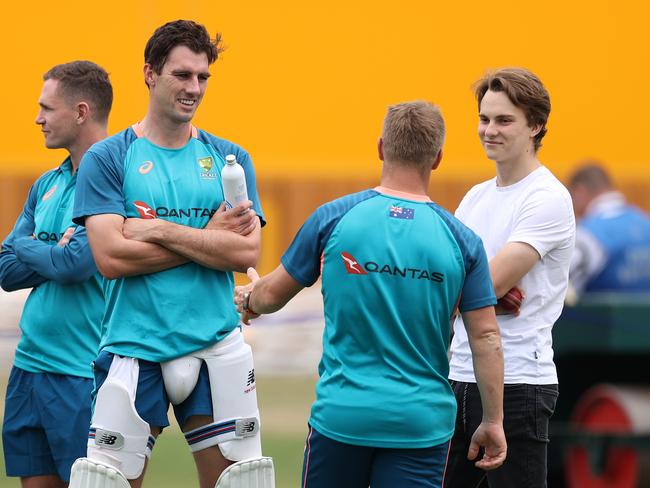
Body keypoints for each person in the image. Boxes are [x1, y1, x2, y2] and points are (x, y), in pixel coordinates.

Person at [234, 100, 507, 488]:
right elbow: (486, 337)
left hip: (342, 416)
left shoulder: (333, 218)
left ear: (381, 147)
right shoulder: (462, 241)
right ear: (438, 159)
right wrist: (493, 421)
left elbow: (270, 297)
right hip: (421, 425)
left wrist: (248, 299)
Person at [70, 20, 269, 488]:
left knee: (240, 482)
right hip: (134, 349)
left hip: (216, 345)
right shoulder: (108, 157)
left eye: (202, 77)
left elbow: (244, 250)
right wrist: (206, 240)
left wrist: (157, 229)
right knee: (108, 483)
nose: (194, 88)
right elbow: (111, 258)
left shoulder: (229, 160)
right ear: (150, 74)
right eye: (182, 75)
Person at [444, 68, 576, 488]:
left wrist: (478, 293)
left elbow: (483, 283)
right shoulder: (475, 197)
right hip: (456, 377)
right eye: (484, 119)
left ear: (536, 125)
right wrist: (485, 296)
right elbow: (453, 282)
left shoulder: (547, 197)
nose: (489, 130)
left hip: (520, 383)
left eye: (504, 120)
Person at [0, 61, 112, 487]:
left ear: (81, 112)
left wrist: (29, 248)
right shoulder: (46, 182)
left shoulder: (114, 178)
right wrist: (47, 250)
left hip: (81, 374)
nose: (38, 118)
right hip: (28, 368)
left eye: (46, 108)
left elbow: (75, 265)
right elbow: (6, 271)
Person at [568, 162, 650, 296]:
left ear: (578, 192)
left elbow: (559, 282)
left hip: (600, 317)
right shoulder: (646, 223)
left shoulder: (587, 235)